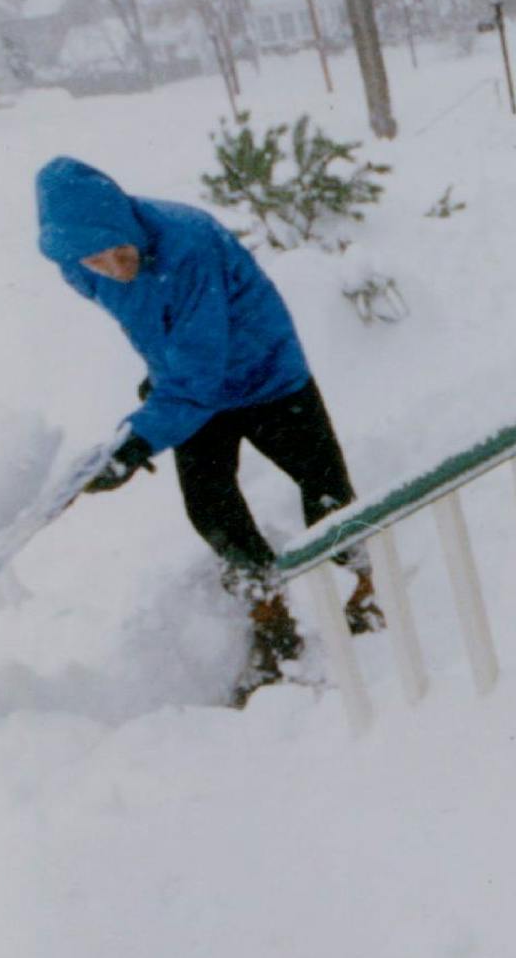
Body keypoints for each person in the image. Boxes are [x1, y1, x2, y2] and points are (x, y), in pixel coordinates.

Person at [34, 156, 381, 702]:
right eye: (95, 260)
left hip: (267, 374)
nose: (112, 267)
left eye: (119, 251)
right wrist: (160, 377)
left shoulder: (186, 244)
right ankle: (271, 618)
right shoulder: (79, 267)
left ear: (129, 226)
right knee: (210, 507)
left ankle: (361, 591)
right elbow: (152, 325)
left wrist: (142, 437)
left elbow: (200, 369)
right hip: (191, 386)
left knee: (324, 486)